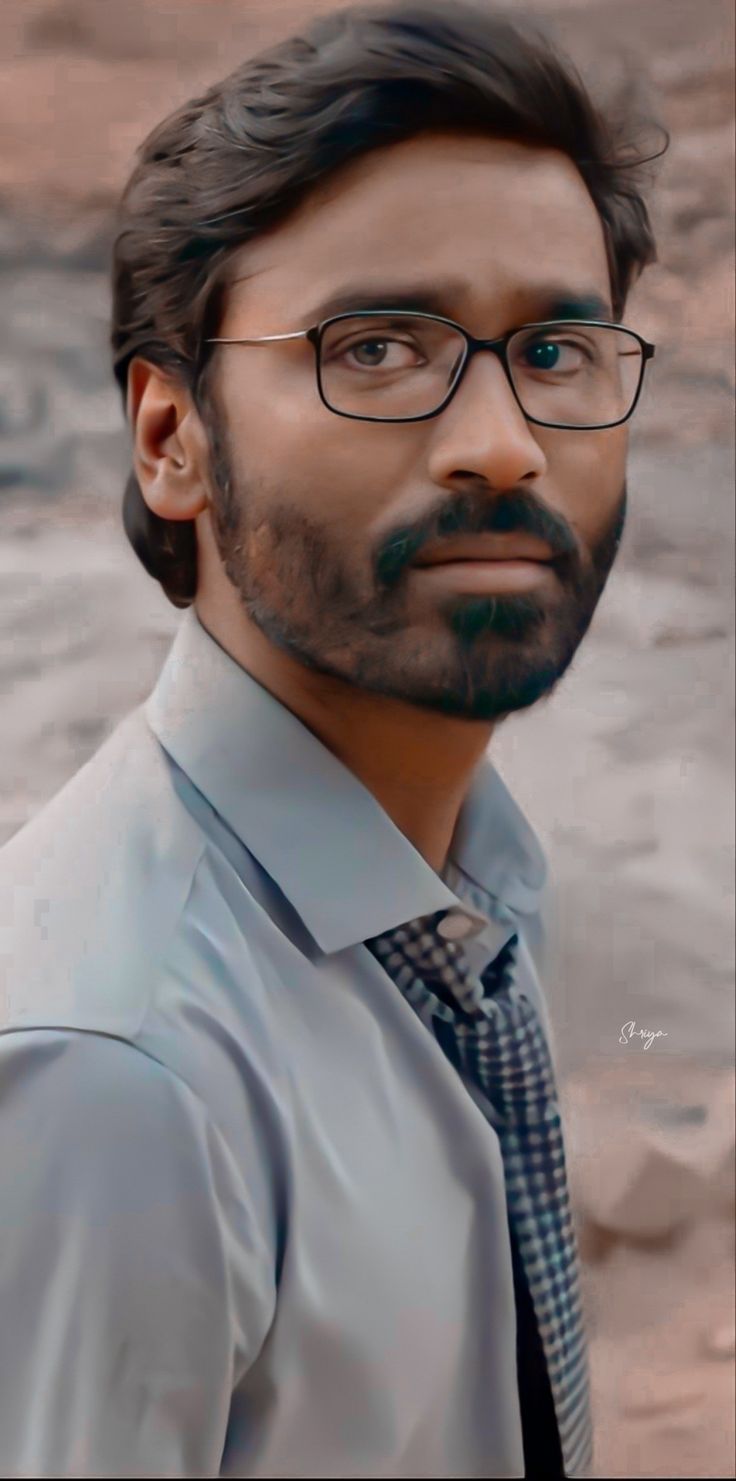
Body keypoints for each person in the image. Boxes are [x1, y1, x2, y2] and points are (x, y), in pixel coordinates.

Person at [0, 2, 667, 1475]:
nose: (501, 440)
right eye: (379, 345)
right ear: (172, 437)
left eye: (556, 347)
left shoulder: (463, 891)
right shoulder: (121, 1076)